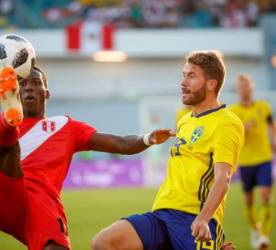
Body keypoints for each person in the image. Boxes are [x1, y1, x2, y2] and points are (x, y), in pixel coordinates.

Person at [0, 66, 174, 250]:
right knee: (6, 144)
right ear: (16, 93)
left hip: (40, 205)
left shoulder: (66, 127)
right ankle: (7, 123)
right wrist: (6, 126)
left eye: (36, 83)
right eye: (23, 84)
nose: (29, 88)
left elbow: (120, 143)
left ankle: (7, 124)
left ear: (47, 93)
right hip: (4, 195)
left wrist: (148, 138)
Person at [92, 50, 244, 250]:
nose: (183, 82)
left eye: (191, 76)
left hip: (193, 220)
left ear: (211, 84)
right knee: (104, 242)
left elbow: (223, 178)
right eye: (183, 75)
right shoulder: (185, 120)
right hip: (162, 214)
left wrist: (203, 219)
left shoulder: (226, 123)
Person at [230, 74, 275, 250]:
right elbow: (233, 136)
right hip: (246, 161)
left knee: (265, 196)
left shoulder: (263, 106)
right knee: (249, 201)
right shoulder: (233, 111)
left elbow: (271, 124)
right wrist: (243, 130)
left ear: (252, 87)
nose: (245, 88)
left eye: (247, 85)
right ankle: (255, 229)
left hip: (264, 158)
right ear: (238, 90)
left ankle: (263, 235)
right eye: (241, 86)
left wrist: (274, 140)